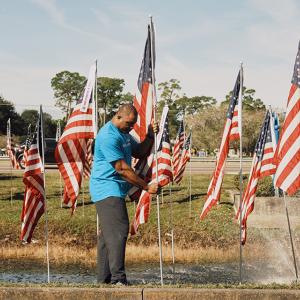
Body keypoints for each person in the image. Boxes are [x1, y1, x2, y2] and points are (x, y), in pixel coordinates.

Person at [89, 103, 159, 285]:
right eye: (129, 123)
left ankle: (103, 281)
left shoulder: (124, 133)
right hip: (106, 188)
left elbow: (140, 151)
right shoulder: (108, 136)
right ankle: (118, 279)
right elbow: (122, 169)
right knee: (119, 230)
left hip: (115, 189)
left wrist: (150, 134)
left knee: (108, 236)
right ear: (118, 116)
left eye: (134, 124)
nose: (131, 127)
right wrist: (146, 187)